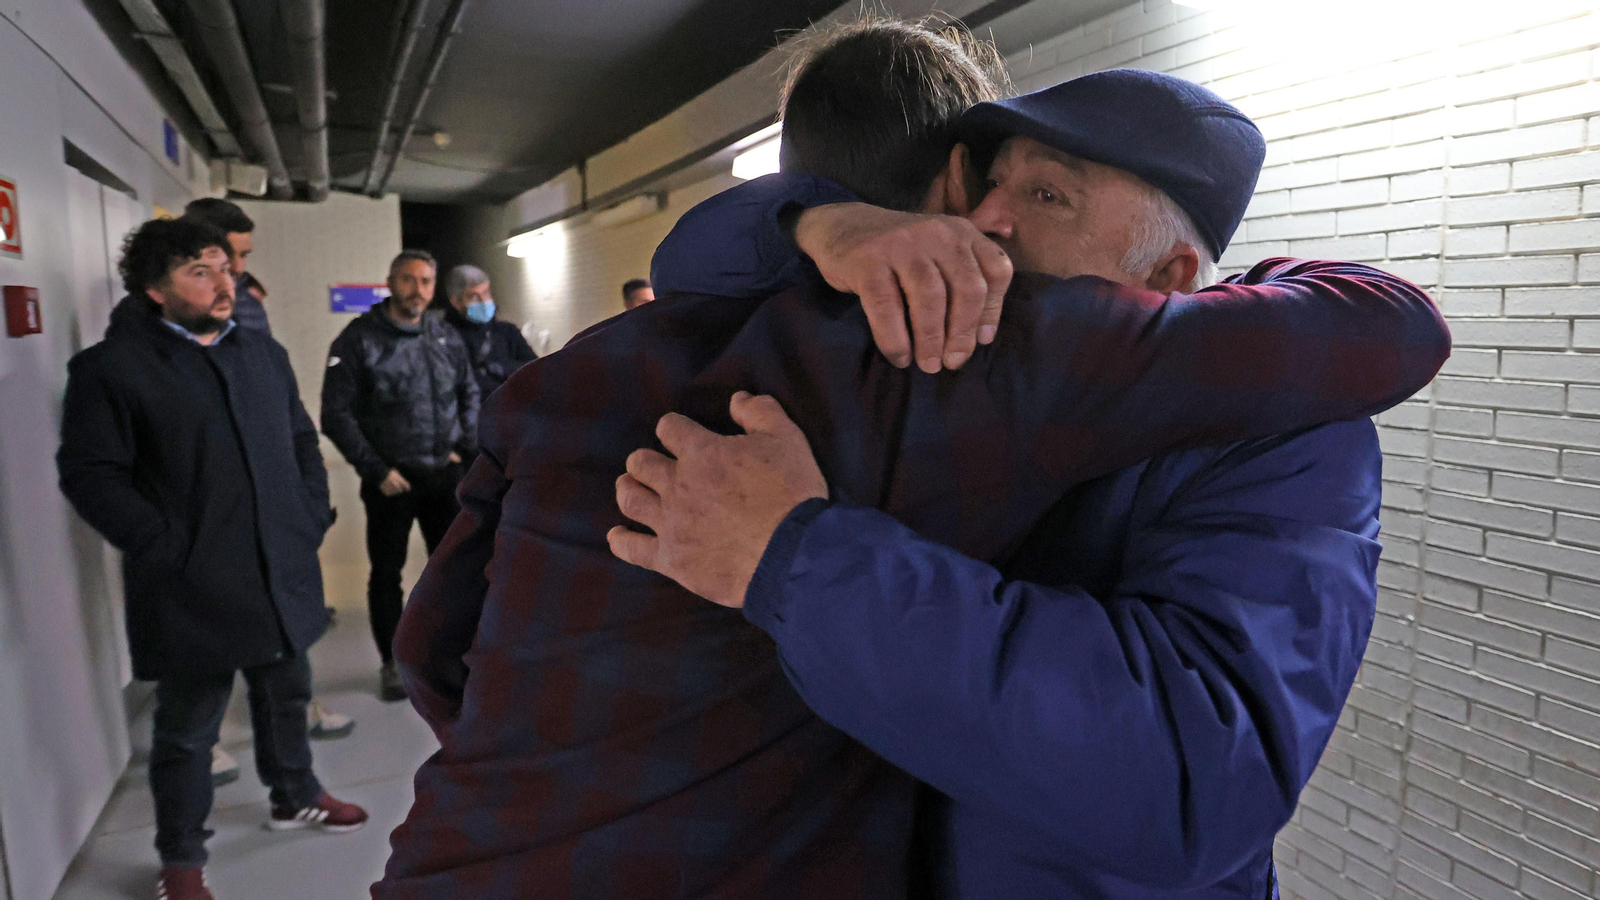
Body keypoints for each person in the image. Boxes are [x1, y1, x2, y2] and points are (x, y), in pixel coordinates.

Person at [375, 19, 1448, 900]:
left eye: (1044, 196)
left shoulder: (1282, 434)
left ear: (1167, 276)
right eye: (978, 186)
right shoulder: (940, 365)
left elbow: (1190, 784)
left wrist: (792, 558)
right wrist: (819, 221)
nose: (980, 222)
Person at [58, 219, 368, 900]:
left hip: (278, 563)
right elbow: (90, 475)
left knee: (287, 693)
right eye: (201, 271)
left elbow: (299, 439)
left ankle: (295, 795)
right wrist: (163, 546)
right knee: (188, 729)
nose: (224, 282)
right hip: (189, 582)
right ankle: (181, 858)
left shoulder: (261, 353)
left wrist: (309, 514)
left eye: (224, 267)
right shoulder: (112, 370)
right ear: (154, 288)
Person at [181, 198, 356, 747]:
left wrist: (305, 500)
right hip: (215, 504)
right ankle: (204, 743)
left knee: (285, 618)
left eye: (241, 258)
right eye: (231, 257)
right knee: (207, 633)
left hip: (271, 495)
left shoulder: (247, 301)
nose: (238, 271)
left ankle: (293, 735)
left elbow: (286, 416)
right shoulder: (167, 335)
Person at [321, 249, 479, 702]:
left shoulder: (445, 336)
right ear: (391, 282)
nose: (418, 290)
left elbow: (469, 393)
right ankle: (393, 663)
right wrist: (376, 469)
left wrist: (460, 448)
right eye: (409, 280)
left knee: (451, 571)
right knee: (386, 573)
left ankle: (451, 656)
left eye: (426, 281)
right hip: (391, 481)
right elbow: (335, 412)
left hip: (442, 474)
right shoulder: (358, 339)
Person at [438, 264, 537, 403]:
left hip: (510, 413)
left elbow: (535, 369)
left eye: (486, 293)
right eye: (473, 296)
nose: (483, 301)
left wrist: (503, 368)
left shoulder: (507, 332)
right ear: (456, 302)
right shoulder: (442, 337)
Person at [182, 198, 269, 333]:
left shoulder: (249, 298)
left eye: (243, 255)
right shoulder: (165, 301)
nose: (238, 267)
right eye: (226, 255)